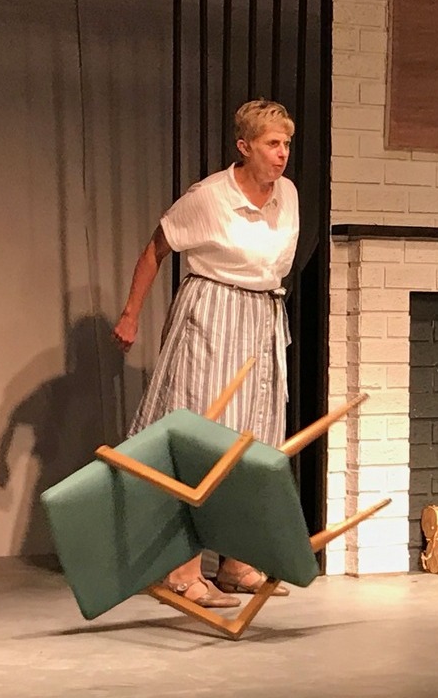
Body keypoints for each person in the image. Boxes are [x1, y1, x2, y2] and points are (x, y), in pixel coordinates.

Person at [113, 98, 300, 608]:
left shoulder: (287, 193)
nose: (282, 153)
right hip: (213, 313)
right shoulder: (209, 197)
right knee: (204, 435)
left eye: (286, 143)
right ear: (244, 147)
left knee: (252, 439)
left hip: (261, 317)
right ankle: (182, 570)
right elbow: (155, 249)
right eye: (272, 144)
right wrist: (130, 314)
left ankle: (235, 563)